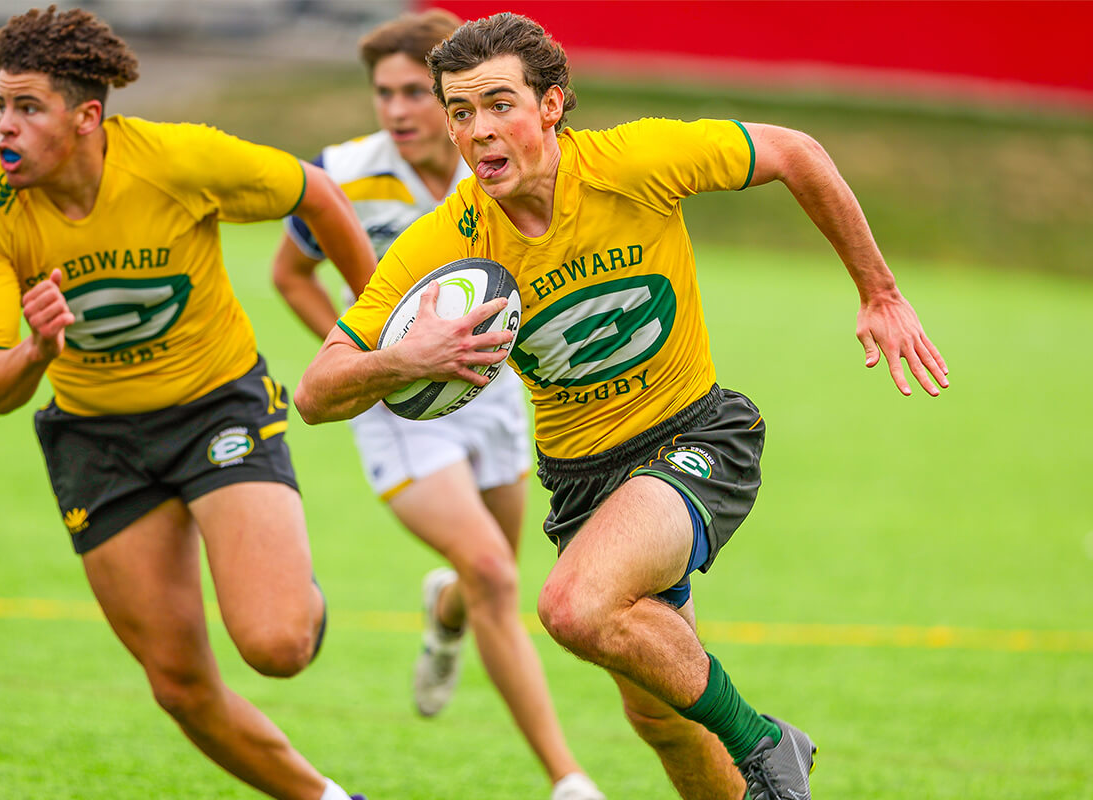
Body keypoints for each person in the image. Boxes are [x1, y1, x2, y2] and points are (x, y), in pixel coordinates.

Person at [294, 12, 950, 800]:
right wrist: (404, 358)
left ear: (552, 105)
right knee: (663, 718)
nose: (479, 130)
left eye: (500, 104)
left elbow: (794, 152)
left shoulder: (633, 161)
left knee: (572, 606)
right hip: (581, 480)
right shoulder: (447, 241)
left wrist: (878, 291)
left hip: (695, 435)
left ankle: (768, 743)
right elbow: (314, 391)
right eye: (461, 112)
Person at [0, 7, 376, 800]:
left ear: (87, 117)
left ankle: (295, 593)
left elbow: (314, 193)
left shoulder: (178, 159)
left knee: (278, 645)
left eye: (27, 108)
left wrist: (373, 324)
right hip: (95, 440)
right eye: (0, 107)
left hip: (216, 409)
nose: (5, 127)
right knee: (178, 684)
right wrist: (34, 352)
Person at [271, 11, 603, 800]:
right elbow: (291, 274)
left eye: (416, 92)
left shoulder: (495, 162)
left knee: (492, 576)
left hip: (495, 396)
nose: (397, 109)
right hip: (396, 412)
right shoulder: (344, 174)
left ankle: (445, 611)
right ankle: (568, 780)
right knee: (491, 568)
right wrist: (376, 369)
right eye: (383, 92)